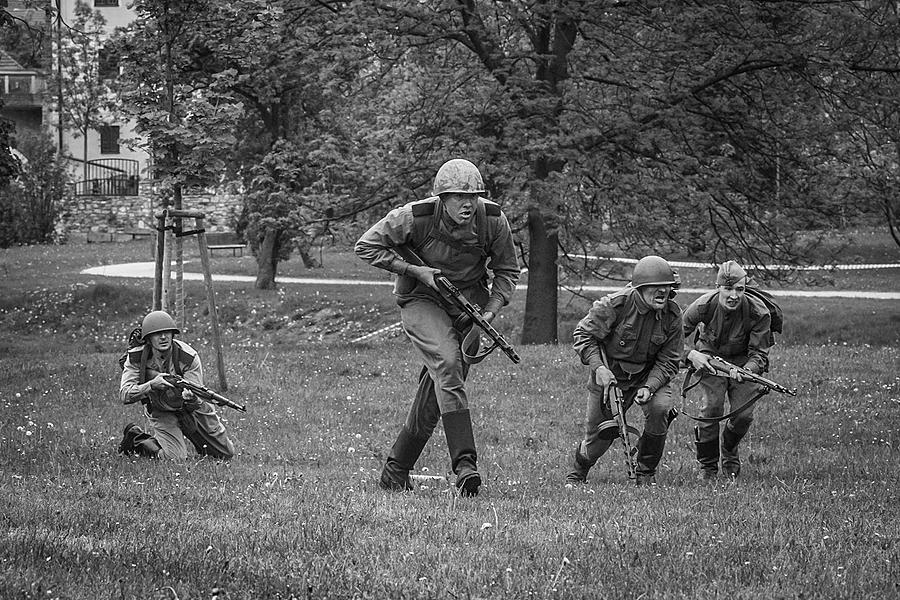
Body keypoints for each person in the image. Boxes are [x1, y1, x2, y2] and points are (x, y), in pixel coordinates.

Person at [355, 158, 520, 497]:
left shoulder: (492, 220)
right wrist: (415, 271)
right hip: (421, 299)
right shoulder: (414, 217)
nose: (468, 203)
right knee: (447, 363)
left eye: (474, 196)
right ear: (441, 197)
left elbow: (507, 271)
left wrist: (490, 310)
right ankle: (465, 465)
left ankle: (395, 470)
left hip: (468, 308)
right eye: (459, 196)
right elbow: (365, 246)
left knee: (441, 385)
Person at [566, 255, 683, 486]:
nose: (662, 293)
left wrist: (650, 386)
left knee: (660, 408)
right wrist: (599, 368)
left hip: (649, 376)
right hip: (610, 375)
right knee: (599, 436)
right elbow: (583, 335)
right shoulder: (615, 304)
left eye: (666, 287)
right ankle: (578, 471)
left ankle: (646, 472)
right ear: (640, 288)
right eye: (655, 287)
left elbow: (670, 359)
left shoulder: (672, 315)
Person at [682, 260, 772, 480]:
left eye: (739, 289)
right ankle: (708, 466)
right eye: (728, 289)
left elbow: (759, 354)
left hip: (743, 364)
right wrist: (692, 355)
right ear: (718, 287)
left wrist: (747, 370)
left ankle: (729, 450)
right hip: (710, 361)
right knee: (712, 408)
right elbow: (673, 338)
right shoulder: (702, 306)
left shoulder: (758, 312)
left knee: (743, 415)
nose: (734, 295)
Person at [118, 310, 236, 460]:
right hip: (161, 410)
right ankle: (136, 439)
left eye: (167, 332)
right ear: (148, 338)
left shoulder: (188, 357)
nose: (163, 337)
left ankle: (196, 441)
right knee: (176, 458)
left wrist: (191, 399)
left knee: (225, 454)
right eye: (157, 334)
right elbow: (125, 395)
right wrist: (151, 385)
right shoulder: (136, 357)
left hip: (191, 410)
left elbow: (197, 399)